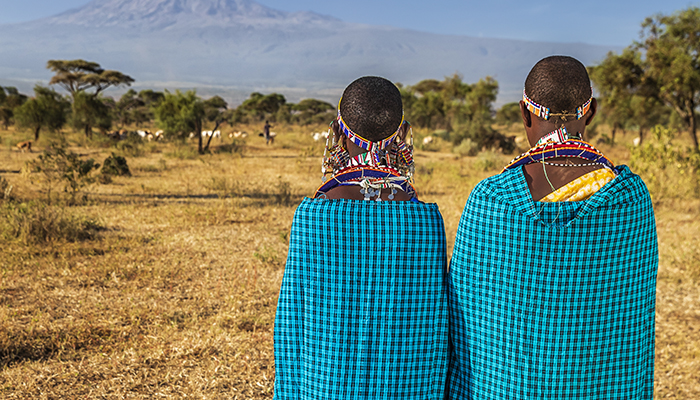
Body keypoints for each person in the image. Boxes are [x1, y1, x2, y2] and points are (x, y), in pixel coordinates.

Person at [448, 56, 658, 399]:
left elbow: (463, 317)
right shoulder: (630, 199)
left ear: (525, 113)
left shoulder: (491, 200)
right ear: (590, 112)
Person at [274, 76, 449, 399]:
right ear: (402, 134)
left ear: (338, 133)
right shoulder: (426, 221)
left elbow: (292, 323)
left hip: (326, 386)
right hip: (404, 388)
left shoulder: (313, 216)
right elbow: (435, 326)